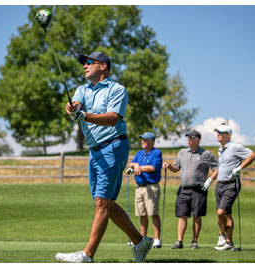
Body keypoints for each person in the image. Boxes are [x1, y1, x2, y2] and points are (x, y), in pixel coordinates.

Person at [57, 52, 153, 263]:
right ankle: (140, 241)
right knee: (103, 202)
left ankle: (87, 255)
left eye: (89, 62)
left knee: (102, 202)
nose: (85, 66)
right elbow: (77, 105)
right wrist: (73, 109)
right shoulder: (82, 89)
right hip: (95, 150)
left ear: (103, 66)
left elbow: (112, 119)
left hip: (114, 145)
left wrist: (82, 115)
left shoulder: (116, 90)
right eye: (84, 63)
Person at [162, 130, 218, 249]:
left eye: (192, 138)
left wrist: (210, 180)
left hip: (199, 189)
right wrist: (168, 165)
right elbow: (176, 168)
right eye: (188, 138)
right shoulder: (182, 152)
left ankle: (194, 241)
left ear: (198, 140)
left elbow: (218, 168)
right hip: (184, 188)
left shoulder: (206, 154)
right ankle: (179, 241)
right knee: (182, 215)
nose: (189, 140)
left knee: (197, 215)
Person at [204, 125, 255, 251]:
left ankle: (221, 235)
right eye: (217, 132)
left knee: (220, 212)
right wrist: (211, 179)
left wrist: (240, 168)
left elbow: (252, 155)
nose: (218, 134)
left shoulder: (235, 147)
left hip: (231, 184)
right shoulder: (221, 149)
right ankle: (229, 242)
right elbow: (221, 167)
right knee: (227, 215)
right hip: (219, 184)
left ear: (228, 135)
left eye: (221, 132)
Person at [126, 132, 163, 249]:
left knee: (153, 213)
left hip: (151, 187)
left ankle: (157, 239)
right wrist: (135, 164)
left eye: (145, 140)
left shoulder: (156, 153)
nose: (142, 142)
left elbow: (153, 168)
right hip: (140, 187)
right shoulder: (139, 153)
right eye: (142, 140)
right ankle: (142, 239)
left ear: (152, 142)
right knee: (142, 214)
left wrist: (138, 167)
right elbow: (130, 164)